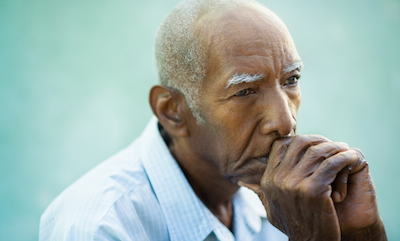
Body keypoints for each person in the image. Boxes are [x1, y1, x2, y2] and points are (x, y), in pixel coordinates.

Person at [39, 0, 387, 240]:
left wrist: (360, 234)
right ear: (172, 110)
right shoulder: (99, 226)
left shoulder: (289, 197)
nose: (285, 122)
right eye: (246, 91)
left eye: (291, 80)